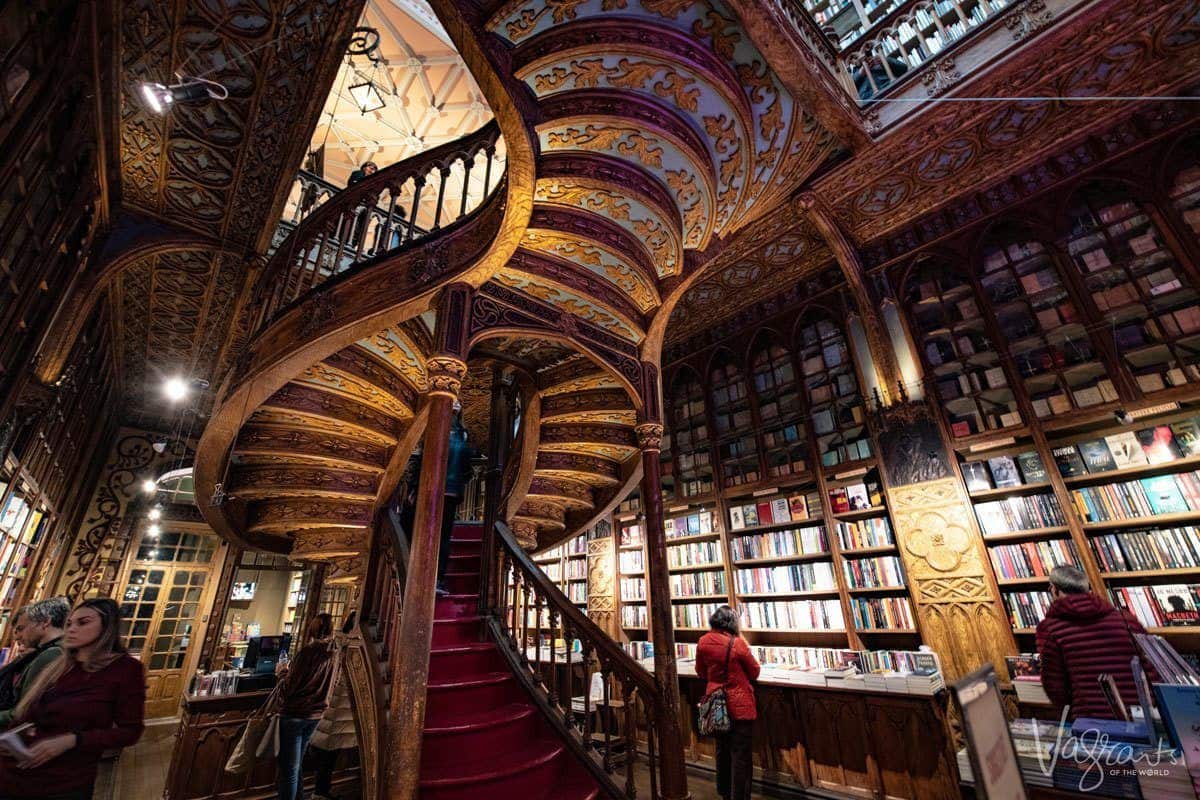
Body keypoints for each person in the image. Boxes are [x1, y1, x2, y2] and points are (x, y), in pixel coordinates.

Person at [0, 598, 145, 800]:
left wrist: (73, 740)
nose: (71, 629)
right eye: (69, 623)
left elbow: (130, 731)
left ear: (107, 626)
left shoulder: (125, 670)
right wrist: (11, 738)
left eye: (83, 622)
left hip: (64, 782)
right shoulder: (60, 664)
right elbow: (29, 714)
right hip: (15, 773)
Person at [1036, 565, 1150, 719]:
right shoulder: (1126, 620)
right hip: (1141, 717)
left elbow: (1055, 687)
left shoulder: (1050, 629)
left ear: (1054, 590)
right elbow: (1151, 667)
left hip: (1090, 724)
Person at [695, 605, 760, 800]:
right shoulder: (737, 643)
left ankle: (724, 793)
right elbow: (755, 671)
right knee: (740, 756)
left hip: (716, 706)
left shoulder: (703, 641)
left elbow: (700, 671)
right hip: (739, 706)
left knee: (722, 753)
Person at [275, 613, 336, 800]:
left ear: (312, 629)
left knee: (289, 769)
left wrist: (281, 673)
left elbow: (290, 686)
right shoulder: (333, 654)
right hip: (316, 714)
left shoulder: (307, 653)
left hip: (295, 713)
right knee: (296, 764)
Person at [309, 612, 358, 800]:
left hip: (333, 704)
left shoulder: (336, 644)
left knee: (328, 751)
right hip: (335, 704)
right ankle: (319, 791)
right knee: (327, 751)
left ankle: (320, 790)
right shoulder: (340, 646)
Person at [0, 597, 68, 726]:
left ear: (45, 622)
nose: (16, 637)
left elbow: (22, 712)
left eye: (22, 628)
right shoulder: (44, 651)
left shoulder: (51, 654)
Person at [435, 402, 474, 596]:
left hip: (436, 488)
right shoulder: (463, 434)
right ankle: (438, 578)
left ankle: (432, 577)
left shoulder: (438, 427)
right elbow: (467, 468)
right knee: (442, 536)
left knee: (437, 535)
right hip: (451, 490)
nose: (458, 402)